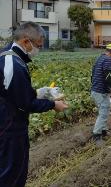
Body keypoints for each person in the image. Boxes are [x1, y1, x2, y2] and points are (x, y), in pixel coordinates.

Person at [0, 22, 68, 187]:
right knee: (12, 175)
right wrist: (53, 105)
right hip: (10, 129)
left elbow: (12, 94)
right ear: (25, 41)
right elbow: (26, 104)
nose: (38, 49)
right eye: (37, 46)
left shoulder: (7, 56)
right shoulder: (15, 65)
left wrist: (40, 92)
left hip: (6, 123)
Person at [91, 43, 111, 144]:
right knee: (103, 112)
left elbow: (93, 73)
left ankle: (103, 131)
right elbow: (107, 77)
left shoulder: (100, 58)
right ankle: (96, 135)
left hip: (97, 89)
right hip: (100, 91)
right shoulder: (108, 60)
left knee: (105, 110)